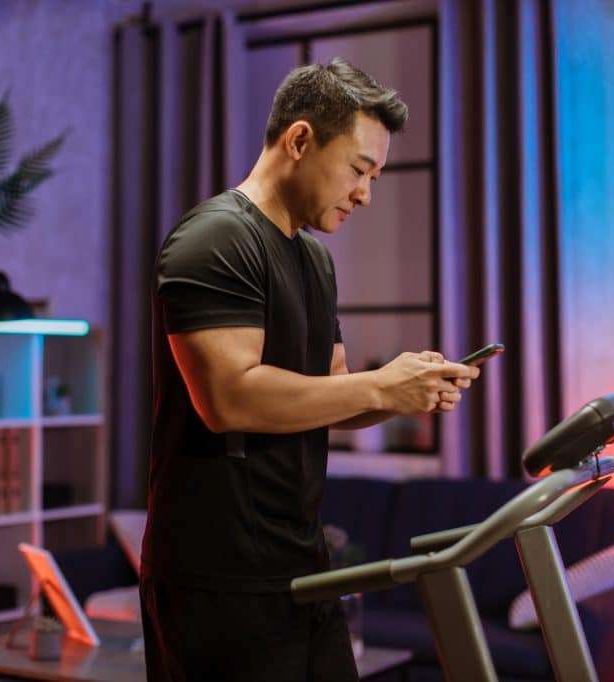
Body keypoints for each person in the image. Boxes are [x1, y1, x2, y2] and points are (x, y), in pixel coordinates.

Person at [140, 57, 481, 682]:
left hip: (301, 565)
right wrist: (381, 384)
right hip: (218, 579)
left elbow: (328, 395)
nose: (365, 194)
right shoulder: (214, 239)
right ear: (299, 140)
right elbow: (230, 399)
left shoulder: (315, 262)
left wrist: (407, 393)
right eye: (359, 170)